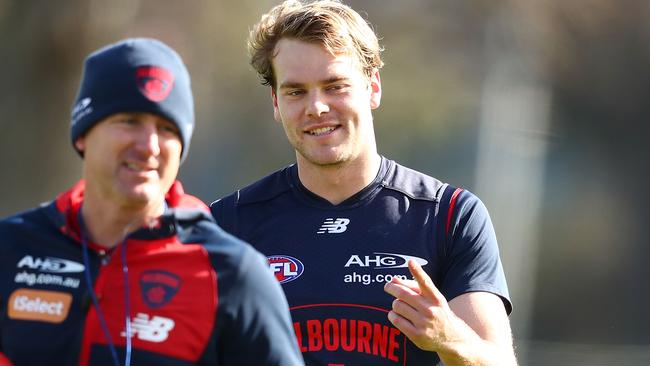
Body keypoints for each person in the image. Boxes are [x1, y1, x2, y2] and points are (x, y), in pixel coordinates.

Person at [210, 1, 517, 365]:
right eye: (296, 91)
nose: (317, 107)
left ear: (372, 87)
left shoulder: (450, 216)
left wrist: (450, 337)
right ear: (275, 102)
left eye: (335, 85)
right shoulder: (227, 225)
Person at [0, 38, 304, 366]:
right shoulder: (10, 249)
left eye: (166, 128)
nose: (149, 146)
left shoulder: (233, 274)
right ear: (83, 134)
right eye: (129, 121)